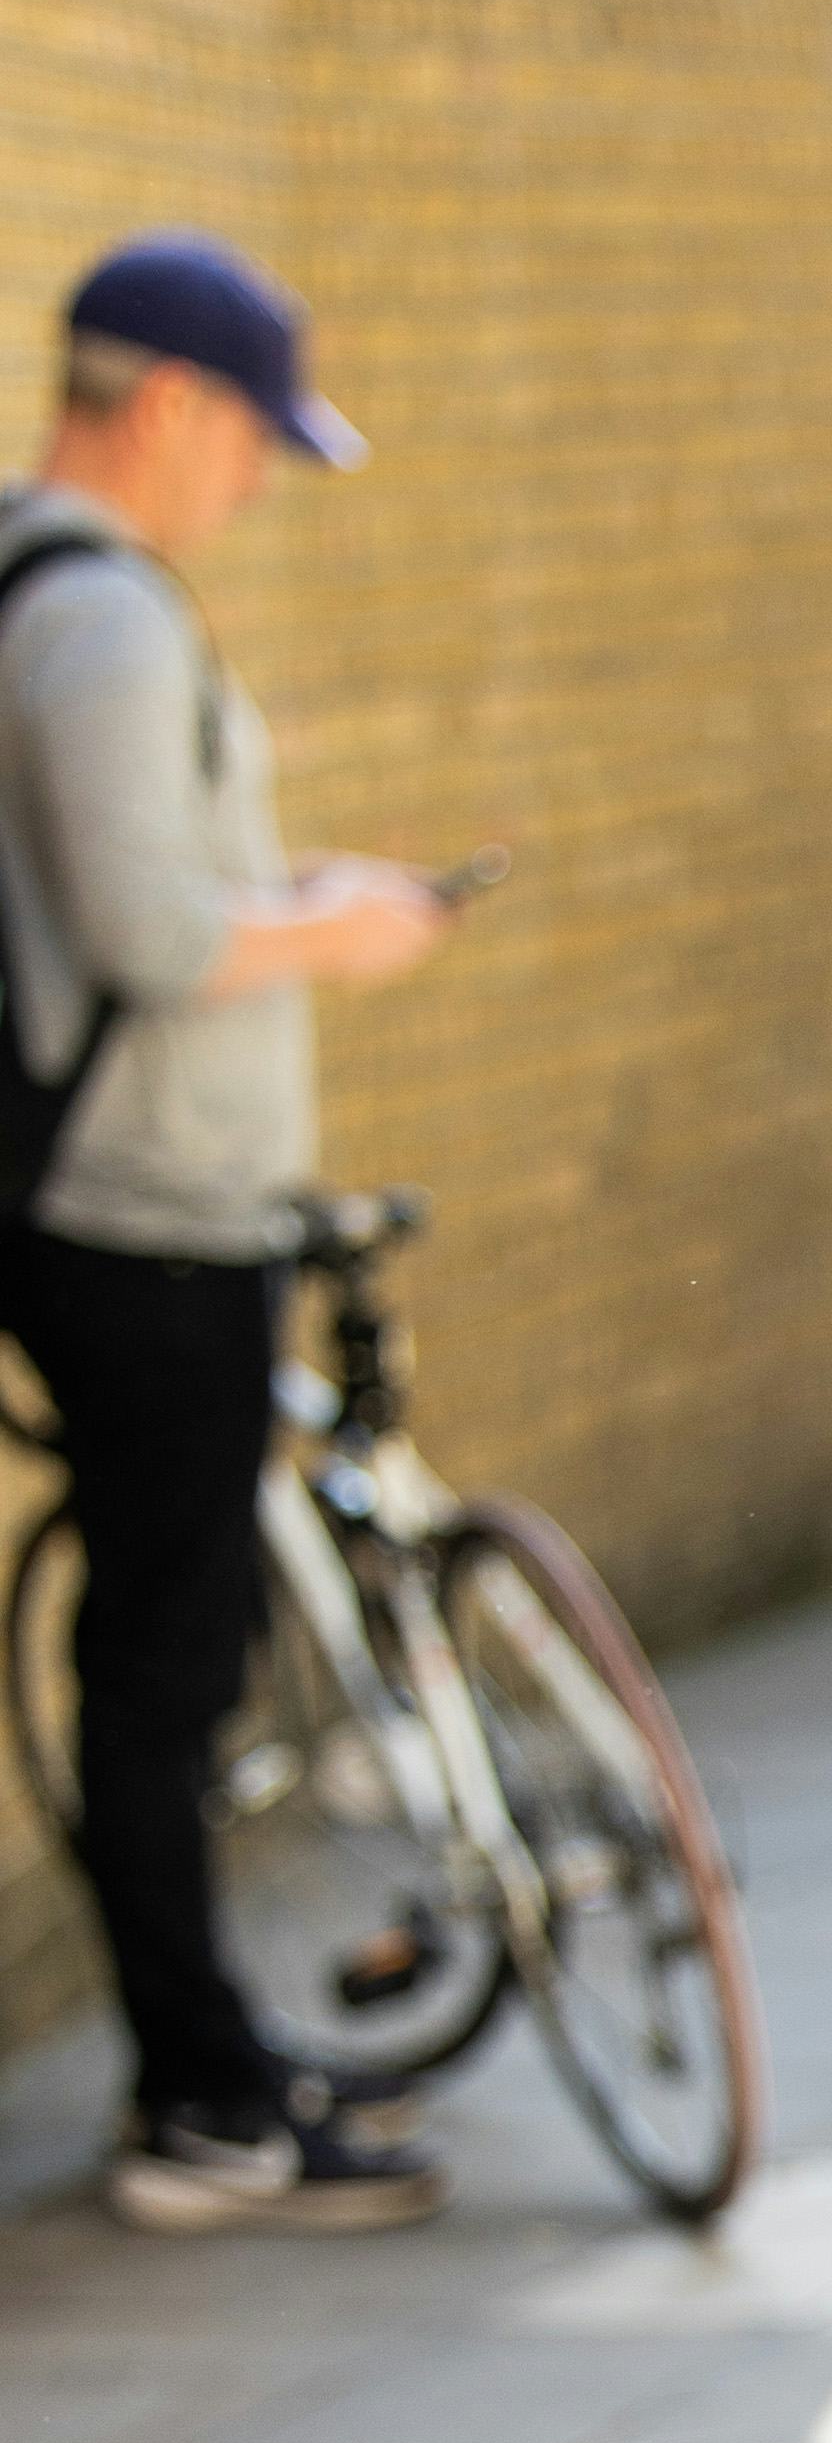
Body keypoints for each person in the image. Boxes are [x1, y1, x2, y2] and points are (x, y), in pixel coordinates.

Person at [0, 234, 463, 2232]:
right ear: (168, 406)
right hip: (147, 1216)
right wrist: (343, 927)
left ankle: (201, 2064)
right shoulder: (99, 623)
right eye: (254, 439)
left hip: (114, 1199)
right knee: (166, 1668)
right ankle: (197, 2098)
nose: (258, 480)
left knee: (165, 1647)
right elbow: (155, 935)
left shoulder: (36, 589)